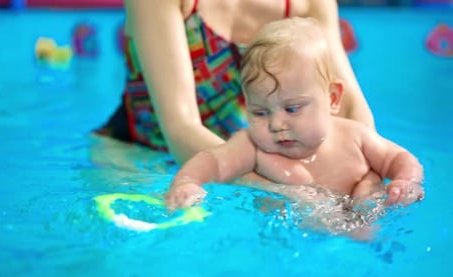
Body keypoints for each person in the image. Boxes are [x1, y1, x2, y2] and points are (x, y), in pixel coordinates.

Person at [164, 17, 425, 213]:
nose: (277, 124)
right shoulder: (252, 147)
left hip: (353, 224)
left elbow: (399, 158)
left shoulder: (355, 136)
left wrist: (405, 182)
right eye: (260, 112)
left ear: (332, 99)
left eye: (292, 109)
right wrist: (187, 182)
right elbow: (213, 161)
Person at [94, 0, 375, 167]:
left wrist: (366, 175)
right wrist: (282, 181)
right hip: (137, 155)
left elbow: (348, 107)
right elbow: (181, 127)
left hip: (255, 157)